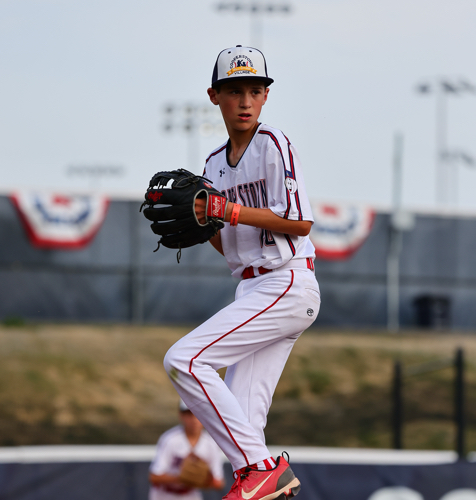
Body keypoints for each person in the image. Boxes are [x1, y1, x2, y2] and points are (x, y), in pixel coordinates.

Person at [163, 45, 321, 500]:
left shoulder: (272, 144)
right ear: (214, 96)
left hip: (286, 280)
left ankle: (260, 470)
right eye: (235, 91)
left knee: (184, 360)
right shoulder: (214, 164)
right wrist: (200, 225)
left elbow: (299, 222)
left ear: (266, 96)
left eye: (255, 90)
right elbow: (227, 242)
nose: (246, 101)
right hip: (250, 289)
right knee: (243, 424)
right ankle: (268, 481)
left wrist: (226, 210)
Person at [149, 399, 225, 500]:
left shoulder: (211, 444)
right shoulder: (170, 439)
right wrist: (180, 478)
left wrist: (202, 479)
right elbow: (154, 477)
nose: (194, 419)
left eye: (198, 414)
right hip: (164, 495)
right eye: (189, 414)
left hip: (190, 494)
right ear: (181, 415)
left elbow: (218, 483)